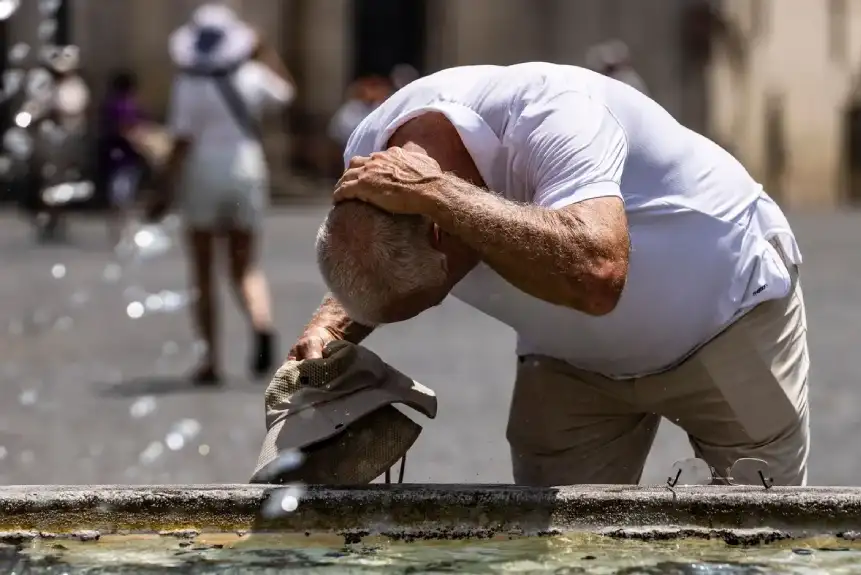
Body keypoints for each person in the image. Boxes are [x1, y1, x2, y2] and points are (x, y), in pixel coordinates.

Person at [294, 62, 810, 486]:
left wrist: (442, 193)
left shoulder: (554, 113)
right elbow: (371, 240)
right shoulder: (372, 159)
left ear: (440, 232)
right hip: (569, 360)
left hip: (726, 317)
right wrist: (332, 326)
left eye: (437, 296)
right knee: (555, 560)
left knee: (762, 538)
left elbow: (599, 273)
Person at [149, 2, 295, 384]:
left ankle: (211, 360)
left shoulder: (188, 84)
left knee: (202, 272)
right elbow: (286, 94)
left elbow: (181, 141)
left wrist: (162, 186)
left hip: (202, 172)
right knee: (245, 266)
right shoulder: (252, 75)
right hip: (245, 167)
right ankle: (261, 322)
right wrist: (263, 51)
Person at [99, 70, 147, 245]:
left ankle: (119, 231)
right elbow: (130, 128)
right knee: (123, 194)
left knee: (119, 195)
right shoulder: (127, 105)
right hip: (126, 155)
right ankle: (123, 231)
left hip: (117, 155)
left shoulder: (112, 105)